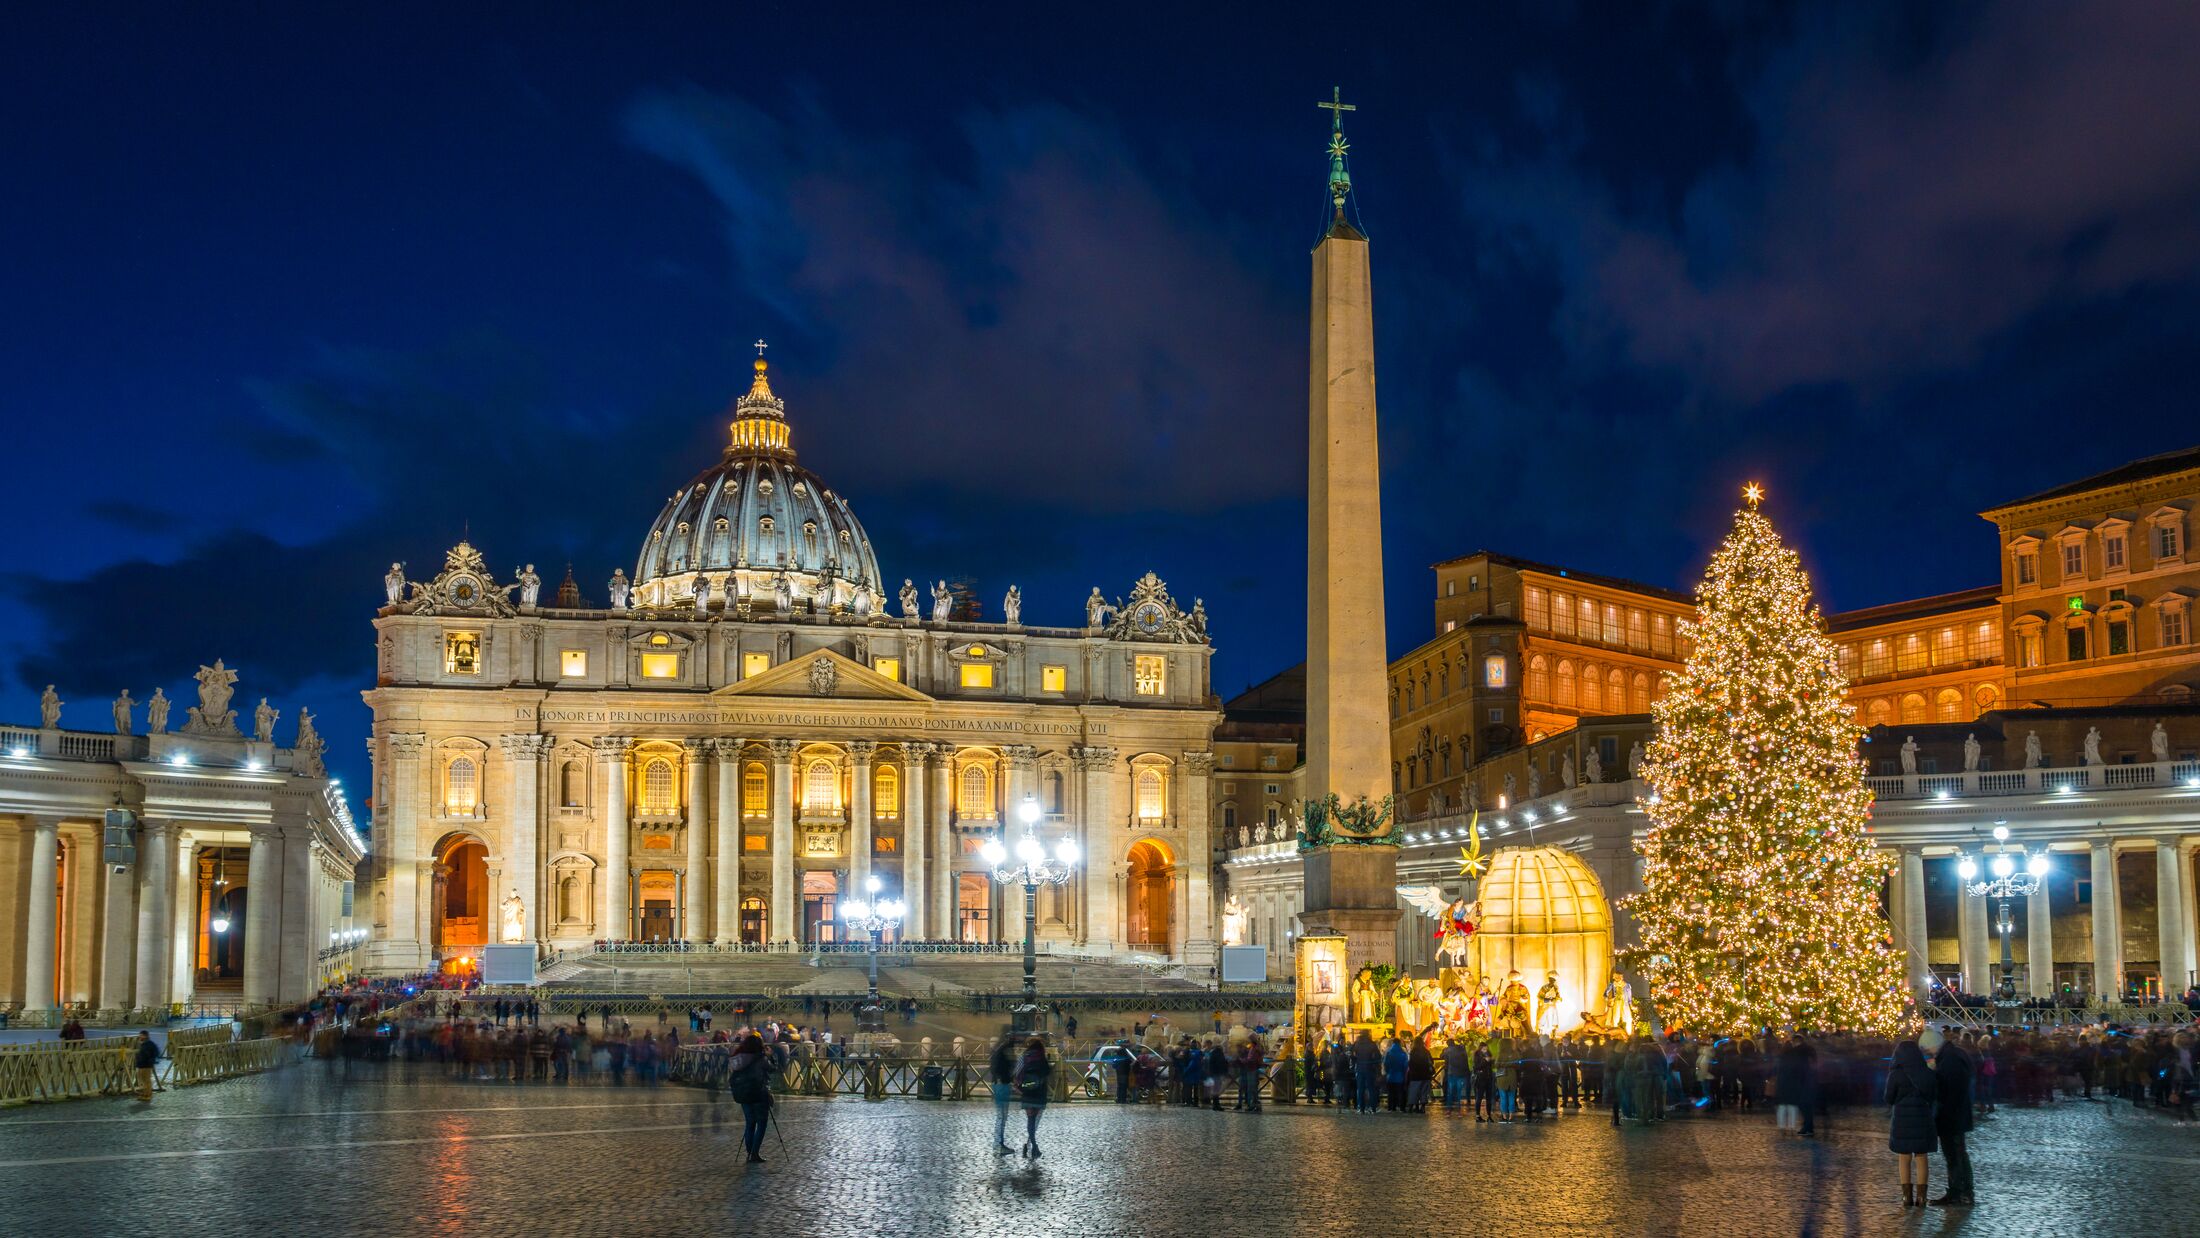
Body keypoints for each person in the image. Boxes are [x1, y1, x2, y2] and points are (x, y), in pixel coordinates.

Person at [1925, 1026, 1976, 1207]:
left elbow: (1949, 1087)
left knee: (1955, 1155)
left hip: (1952, 1114)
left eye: (1928, 1049)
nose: (1928, 1053)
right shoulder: (1952, 1055)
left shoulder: (1950, 1059)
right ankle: (1959, 1191)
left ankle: (1961, 1192)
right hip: (1955, 1113)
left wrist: (1933, 1074)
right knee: (1956, 1154)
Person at [1885, 1039, 1939, 1207]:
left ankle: (1906, 1197)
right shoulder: (1928, 1072)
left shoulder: (1896, 1074)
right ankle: (1922, 1198)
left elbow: (1888, 1098)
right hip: (1923, 1118)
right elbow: (1934, 1095)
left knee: (1904, 1157)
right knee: (1922, 1157)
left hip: (1902, 1119)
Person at [727, 1032, 774, 1163]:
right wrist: (770, 1056)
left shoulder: (739, 1058)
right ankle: (754, 1153)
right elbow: (773, 1069)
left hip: (744, 1095)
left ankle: (749, 1152)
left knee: (750, 1123)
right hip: (759, 1094)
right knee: (762, 1123)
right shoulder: (761, 1059)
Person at [1012, 1035, 1052, 1158]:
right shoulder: (1042, 1057)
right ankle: (1032, 1145)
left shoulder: (1024, 1057)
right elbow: (1047, 1073)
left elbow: (1016, 1073)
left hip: (1028, 1092)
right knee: (1036, 1121)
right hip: (1040, 1092)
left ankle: (1033, 1145)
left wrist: (1019, 1087)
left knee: (1030, 1120)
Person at [989, 1034, 1019, 1153]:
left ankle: (998, 1143)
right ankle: (998, 1144)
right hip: (1002, 1085)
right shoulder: (1005, 1052)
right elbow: (1006, 1068)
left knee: (1001, 1116)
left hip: (999, 1084)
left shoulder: (1000, 1050)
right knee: (1001, 1116)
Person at [1442, 1038, 1471, 1114]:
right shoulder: (1462, 1052)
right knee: (1459, 1092)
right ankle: (1459, 1109)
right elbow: (1466, 1063)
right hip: (1460, 1074)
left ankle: (1449, 1108)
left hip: (1451, 1073)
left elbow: (1442, 1056)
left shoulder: (1448, 1050)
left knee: (1450, 1091)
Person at [132, 1030, 161, 1102]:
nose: (140, 1036)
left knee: (147, 1080)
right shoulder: (143, 1044)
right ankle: (145, 1093)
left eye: (141, 1035)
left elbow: (157, 1052)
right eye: (140, 1035)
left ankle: (148, 1095)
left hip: (146, 1065)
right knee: (143, 1080)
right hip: (141, 1065)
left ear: (145, 1036)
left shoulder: (149, 1044)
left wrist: (151, 1060)